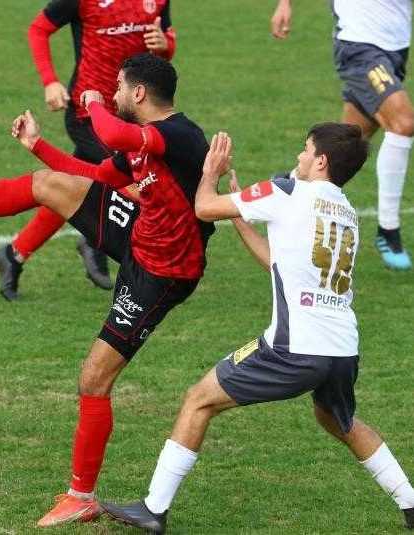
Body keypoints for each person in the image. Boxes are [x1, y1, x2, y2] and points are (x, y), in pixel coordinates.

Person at [0, 54, 213, 526]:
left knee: (94, 378)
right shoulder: (141, 139)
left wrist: (91, 101)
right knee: (49, 183)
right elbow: (99, 175)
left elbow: (113, 133)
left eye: (118, 87)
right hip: (141, 233)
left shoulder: (178, 135)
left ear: (139, 94)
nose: (112, 94)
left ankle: (81, 496)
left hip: (162, 272)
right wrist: (37, 145)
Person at [100, 124, 414, 533]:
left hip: (293, 348)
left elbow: (204, 208)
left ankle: (153, 508)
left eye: (306, 150)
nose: (299, 157)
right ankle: (410, 502)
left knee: (198, 400)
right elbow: (279, 263)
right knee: (340, 421)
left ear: (321, 161)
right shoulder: (346, 212)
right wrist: (243, 217)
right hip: (341, 349)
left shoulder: (286, 192)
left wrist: (210, 172)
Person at [0, 0, 177, 300]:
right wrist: (50, 82)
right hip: (88, 112)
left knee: (68, 185)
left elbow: (164, 50)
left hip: (129, 115)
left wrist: (165, 46)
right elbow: (39, 29)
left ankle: (13, 255)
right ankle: (108, 248)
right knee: (133, 180)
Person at [271, 0, 414, 270]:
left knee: (345, 145)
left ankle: (289, 184)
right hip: (359, 45)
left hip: (395, 48)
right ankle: (388, 230)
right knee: (403, 123)